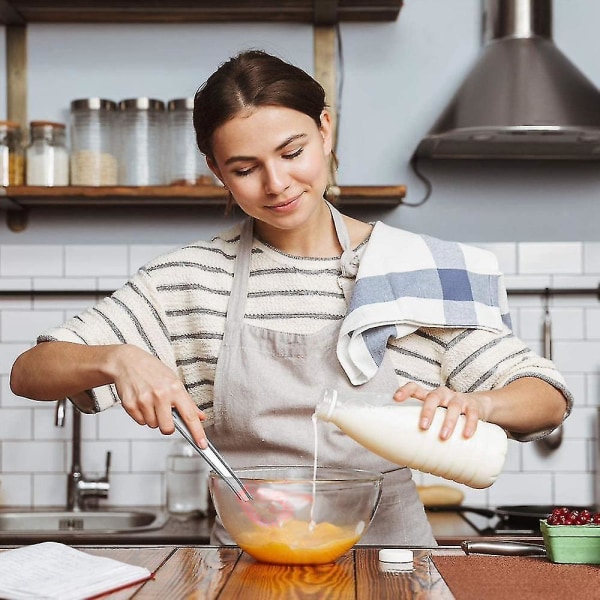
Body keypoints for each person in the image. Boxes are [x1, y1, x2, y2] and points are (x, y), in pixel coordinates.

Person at [10, 49, 572, 546]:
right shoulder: (188, 279)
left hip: (394, 561)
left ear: (325, 130)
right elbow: (29, 371)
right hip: (246, 562)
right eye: (245, 168)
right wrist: (116, 357)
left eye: (292, 151)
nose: (275, 183)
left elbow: (547, 399)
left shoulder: (415, 268)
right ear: (216, 171)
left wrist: (482, 404)